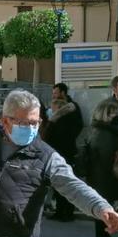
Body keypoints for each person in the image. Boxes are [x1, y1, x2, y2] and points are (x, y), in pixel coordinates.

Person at [0, 90, 118, 237]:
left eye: (35, 123)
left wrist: (101, 208)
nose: (31, 128)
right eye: (24, 123)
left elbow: (74, 186)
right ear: (5, 121)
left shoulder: (46, 156)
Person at [75, 98, 118, 237]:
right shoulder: (106, 134)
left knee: (102, 211)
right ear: (107, 114)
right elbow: (108, 158)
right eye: (115, 113)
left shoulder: (95, 130)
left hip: (97, 177)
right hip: (105, 177)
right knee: (104, 212)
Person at [44, 83, 84, 221]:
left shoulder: (71, 109)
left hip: (64, 150)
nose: (54, 95)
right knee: (59, 183)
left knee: (66, 182)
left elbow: (76, 127)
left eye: (56, 92)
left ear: (63, 92)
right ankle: (61, 211)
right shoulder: (67, 110)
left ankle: (66, 212)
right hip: (59, 150)